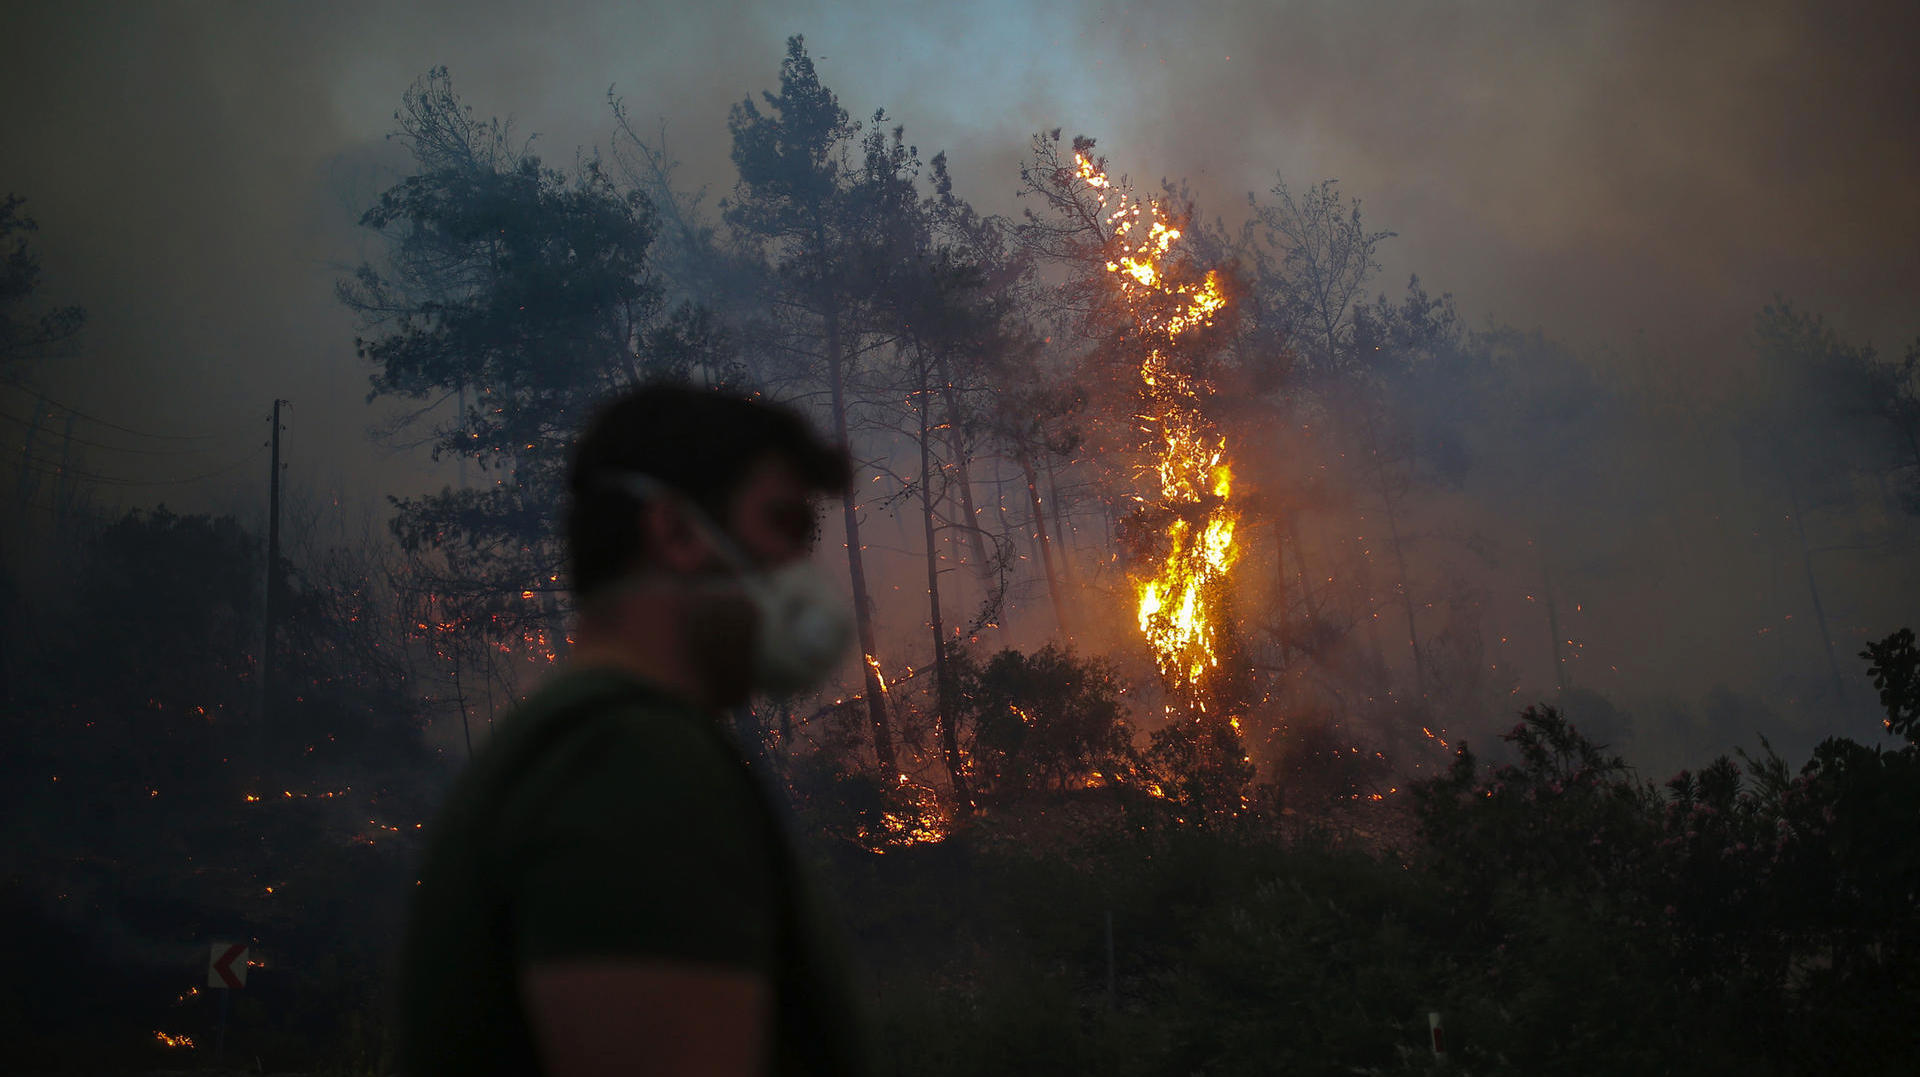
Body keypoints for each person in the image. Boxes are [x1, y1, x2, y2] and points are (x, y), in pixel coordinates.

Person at [396, 383, 869, 1076]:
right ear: (675, 532)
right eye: (781, 524)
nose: (801, 571)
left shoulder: (581, 743)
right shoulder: (629, 764)